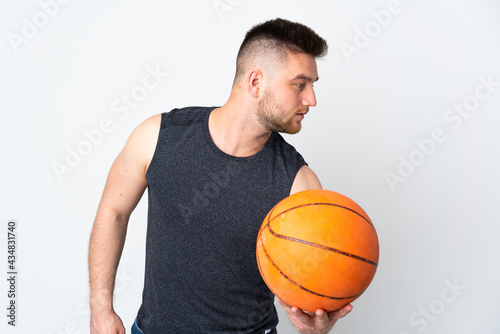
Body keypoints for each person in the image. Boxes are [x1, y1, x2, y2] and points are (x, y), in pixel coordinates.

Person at [88, 18, 353, 334]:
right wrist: (101, 309)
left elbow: (312, 281)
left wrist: (315, 328)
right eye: (299, 84)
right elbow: (114, 212)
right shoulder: (158, 137)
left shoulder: (300, 184)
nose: (311, 99)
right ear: (255, 82)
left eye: (312, 85)